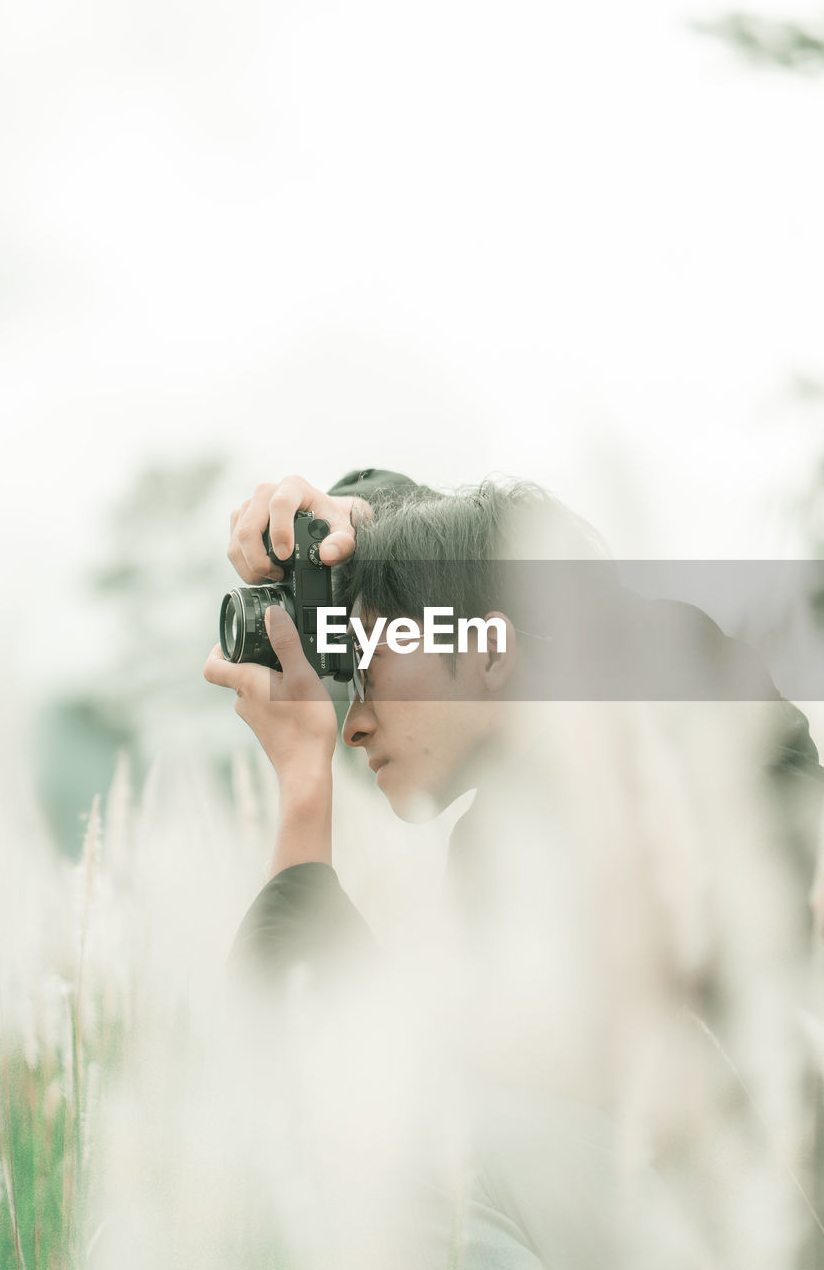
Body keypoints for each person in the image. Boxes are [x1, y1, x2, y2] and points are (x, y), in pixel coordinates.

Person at [204, 470, 824, 1268]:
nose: (348, 721)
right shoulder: (493, 852)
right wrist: (380, 535)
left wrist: (302, 789)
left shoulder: (681, 750)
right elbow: (302, 1061)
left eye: (365, 666)